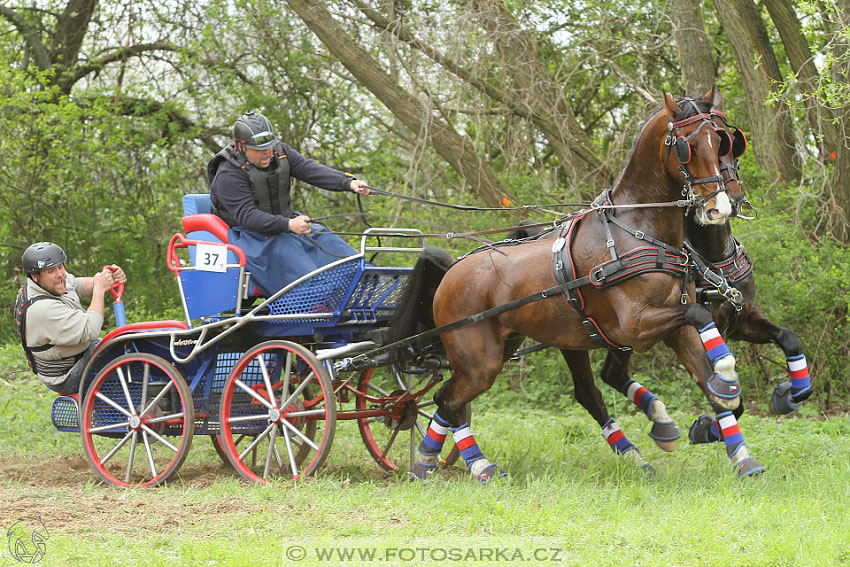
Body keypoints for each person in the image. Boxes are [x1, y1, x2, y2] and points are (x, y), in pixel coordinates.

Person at [207, 111, 371, 295]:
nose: (268, 153)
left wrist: (347, 182)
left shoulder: (279, 152)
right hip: (251, 236)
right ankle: (321, 299)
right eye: (260, 150)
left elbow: (308, 169)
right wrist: (289, 225)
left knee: (325, 238)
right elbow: (247, 216)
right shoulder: (228, 174)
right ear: (241, 147)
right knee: (291, 254)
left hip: (286, 225)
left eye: (269, 146)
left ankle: (368, 286)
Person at [16, 242, 126, 395]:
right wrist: (100, 290)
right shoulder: (43, 309)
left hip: (78, 354)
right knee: (129, 358)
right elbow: (90, 329)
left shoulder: (50, 283)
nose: (60, 274)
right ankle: (128, 404)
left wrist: (106, 279)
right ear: (35, 277)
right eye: (51, 271)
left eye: (60, 267)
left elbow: (79, 285)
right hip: (67, 374)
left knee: (129, 346)